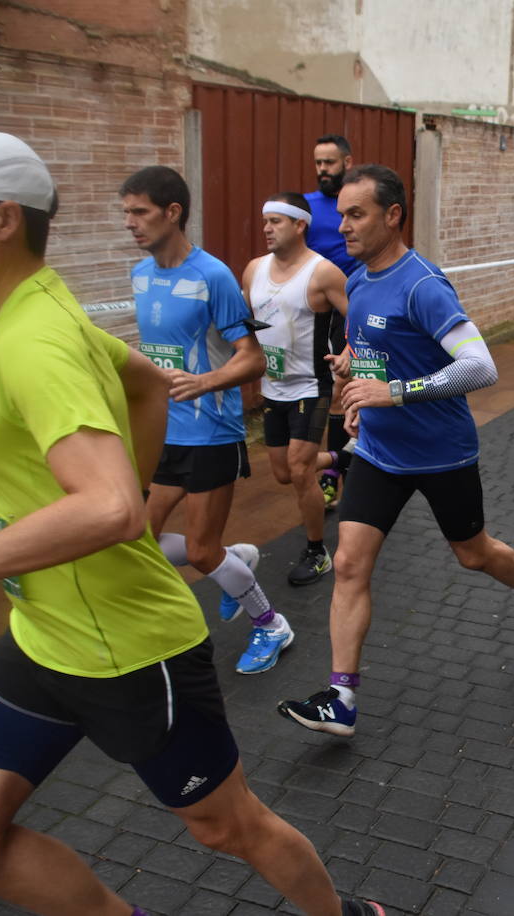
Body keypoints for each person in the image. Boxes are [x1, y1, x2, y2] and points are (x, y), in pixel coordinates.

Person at [0, 130, 385, 916]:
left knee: (227, 827)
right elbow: (147, 385)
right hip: (44, 636)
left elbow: (107, 508)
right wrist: (82, 513)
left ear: (1, 220)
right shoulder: (29, 314)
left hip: (127, 649)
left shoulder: (34, 341)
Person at [278, 164, 514, 737]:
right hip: (381, 453)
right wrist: (353, 378)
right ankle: (342, 698)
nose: (345, 225)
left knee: (473, 553)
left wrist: (397, 391)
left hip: (442, 454)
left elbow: (481, 366)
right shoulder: (356, 281)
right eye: (341, 214)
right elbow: (372, 352)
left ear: (393, 216)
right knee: (350, 564)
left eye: (357, 214)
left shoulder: (422, 286)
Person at [122, 166, 293, 676]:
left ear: (173, 213)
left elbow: (252, 357)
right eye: (126, 213)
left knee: (198, 551)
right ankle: (232, 557)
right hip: (164, 432)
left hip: (212, 431)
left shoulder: (211, 276)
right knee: (138, 539)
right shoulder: (141, 276)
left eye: (140, 212)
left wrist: (205, 382)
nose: (130, 223)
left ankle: (271, 624)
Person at [243, 192, 350, 585]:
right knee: (283, 473)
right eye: (265, 221)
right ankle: (339, 460)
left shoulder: (323, 273)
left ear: (300, 224)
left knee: (300, 469)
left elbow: (358, 316)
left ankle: (317, 551)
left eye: (276, 221)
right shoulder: (254, 270)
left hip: (311, 385)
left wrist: (349, 354)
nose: (267, 228)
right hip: (273, 386)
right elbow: (247, 325)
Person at [305, 135, 359, 511]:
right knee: (334, 390)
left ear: (347, 162)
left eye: (330, 162)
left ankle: (339, 471)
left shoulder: (357, 205)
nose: (323, 169)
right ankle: (335, 470)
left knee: (349, 386)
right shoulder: (305, 208)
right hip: (319, 313)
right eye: (318, 163)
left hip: (355, 306)